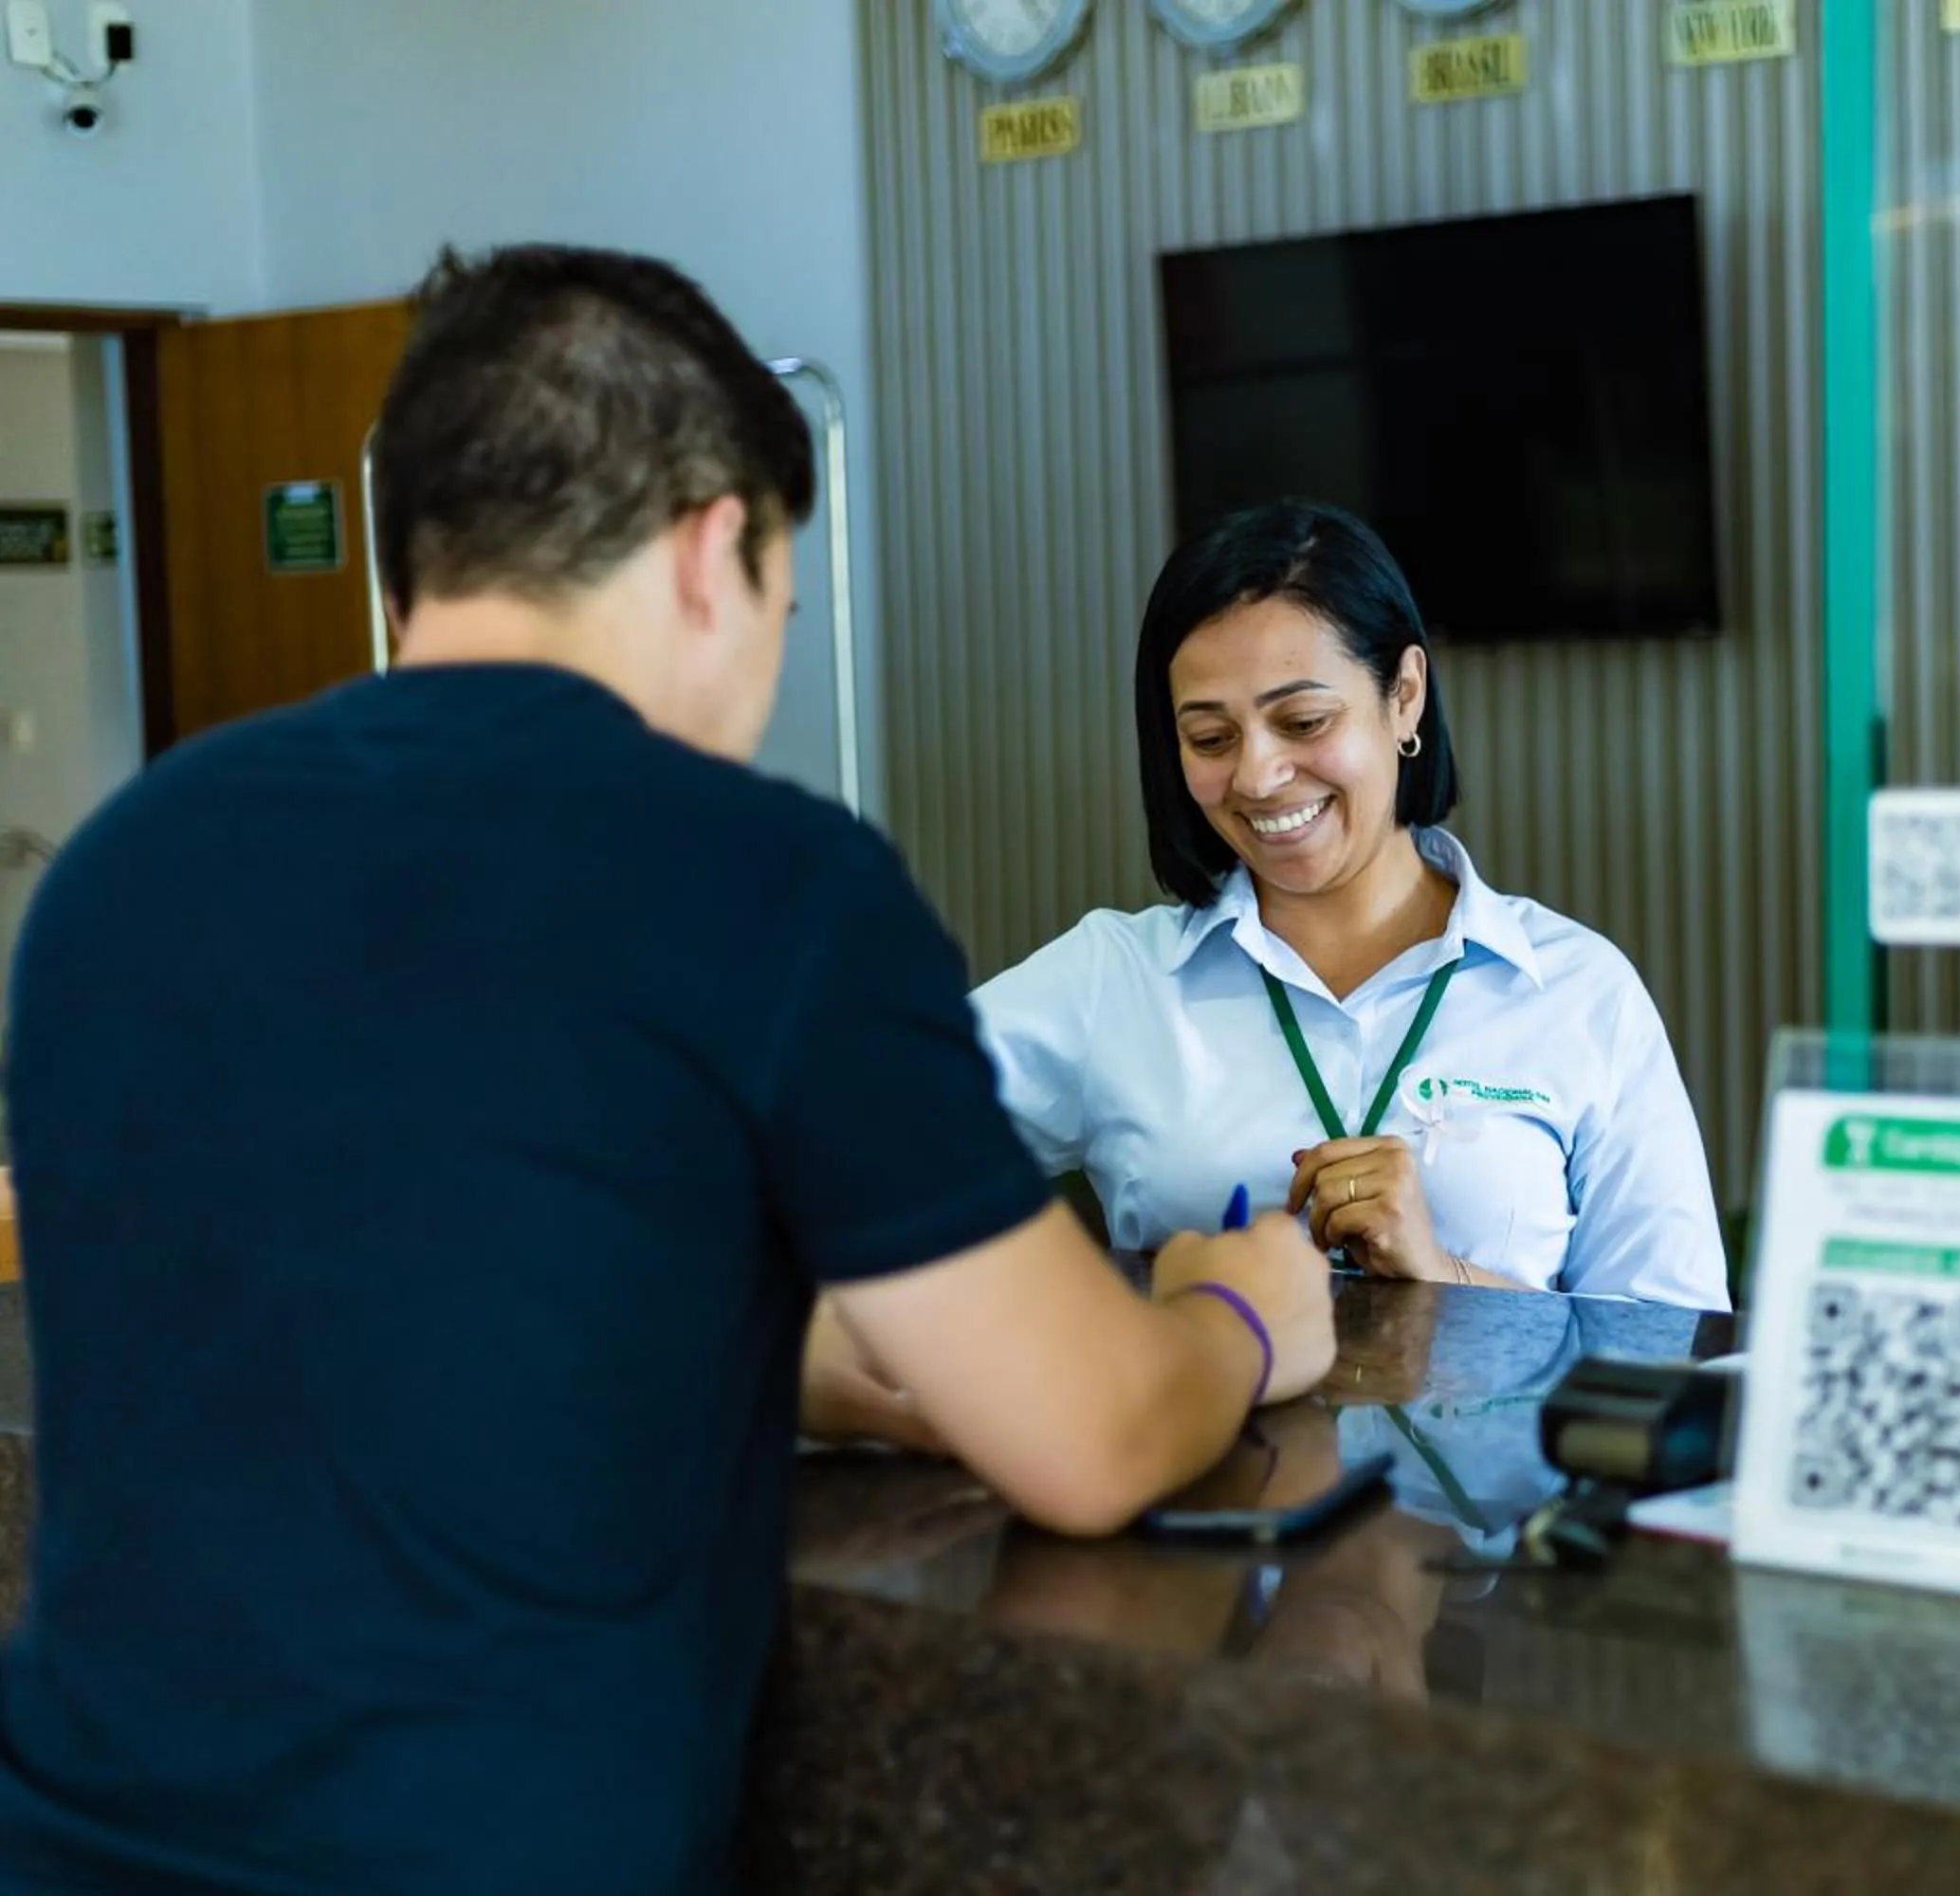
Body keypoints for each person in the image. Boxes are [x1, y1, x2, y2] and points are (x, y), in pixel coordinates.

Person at [0, 245, 1331, 1895]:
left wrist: (777, 1353)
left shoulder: (124, 864)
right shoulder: (765, 880)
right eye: (783, 599)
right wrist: (1245, 1307)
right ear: (719, 548)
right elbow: (1090, 1442)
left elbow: (367, 1302)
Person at [973, 501, 1729, 1311]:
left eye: (1303, 721)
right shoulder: (1116, 982)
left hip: (1484, 1445)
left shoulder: (1575, 991)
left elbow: (1675, 1350)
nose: (1258, 776)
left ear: (1404, 696)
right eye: (1210, 738)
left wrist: (1447, 1276)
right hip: (1205, 1442)